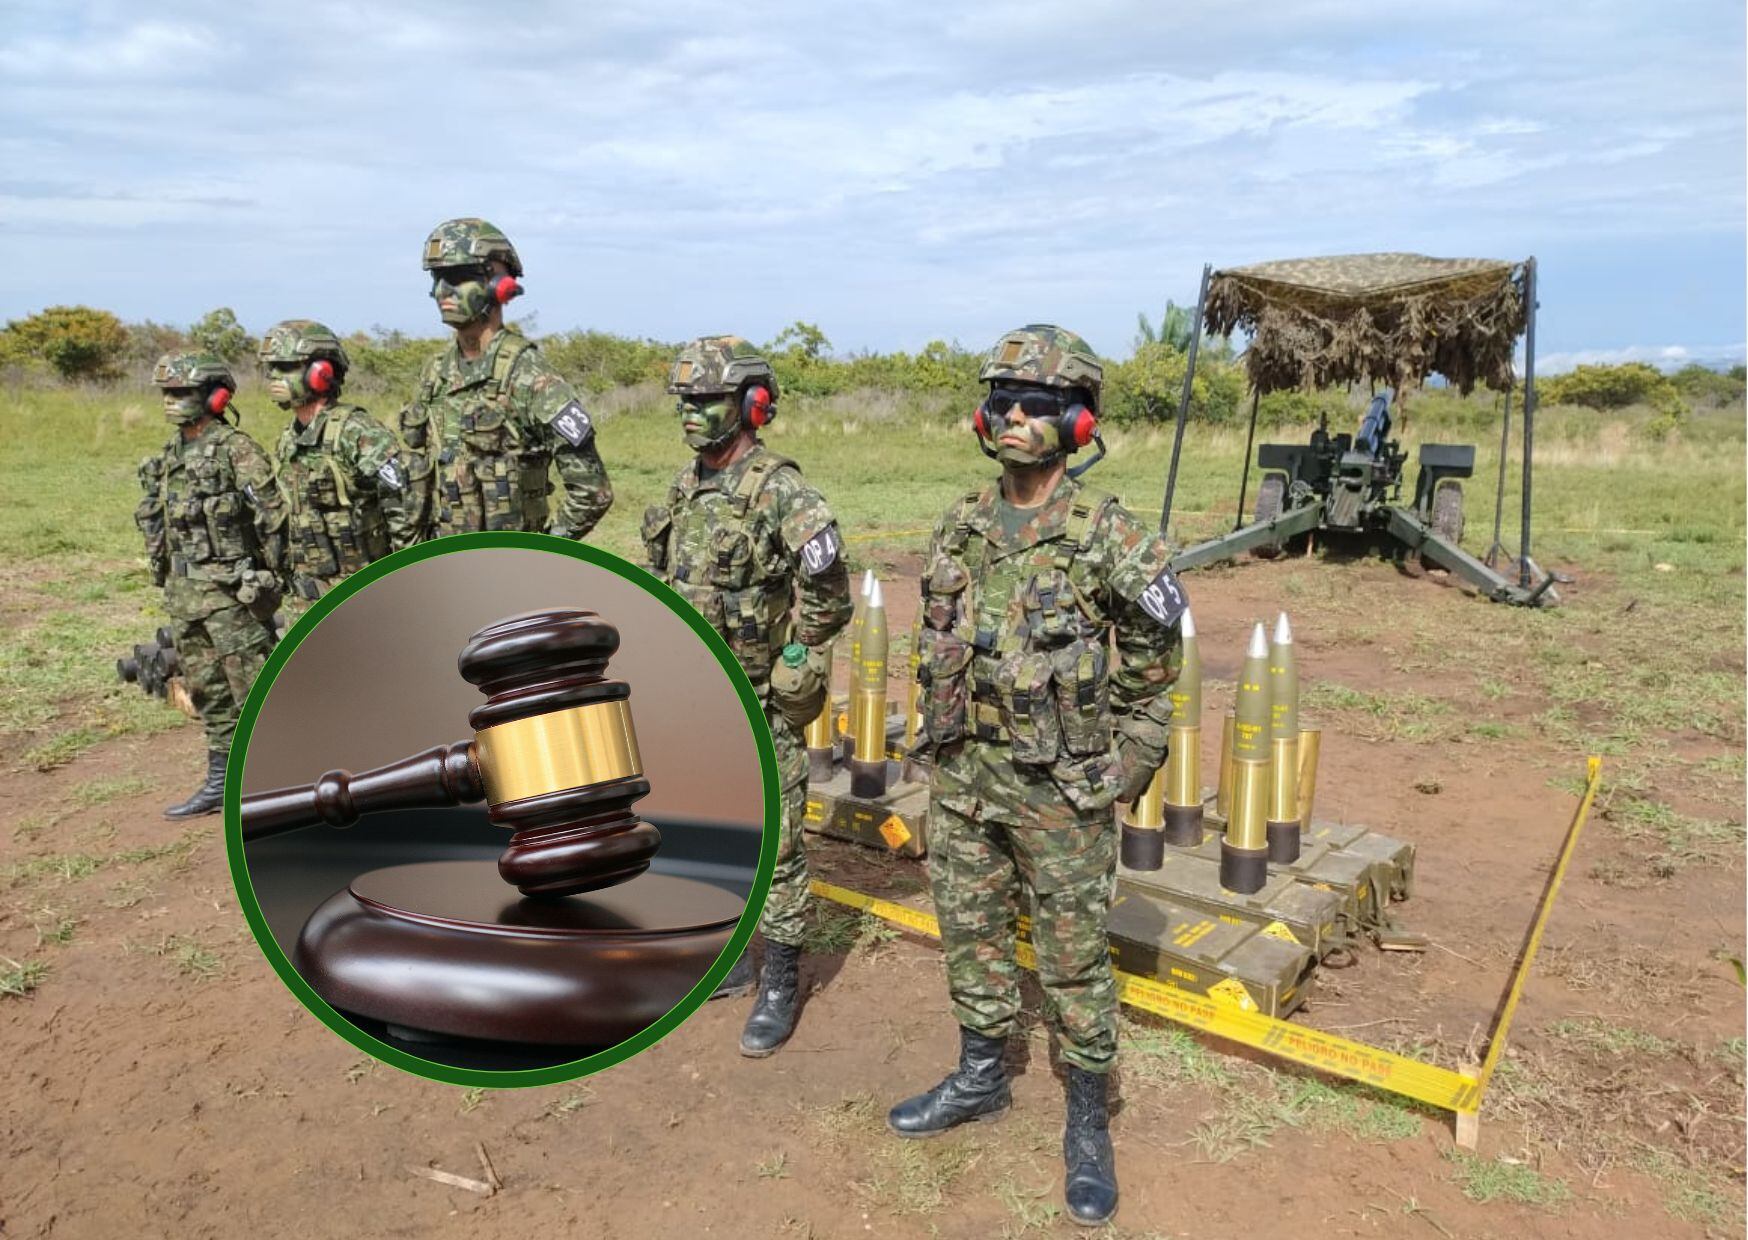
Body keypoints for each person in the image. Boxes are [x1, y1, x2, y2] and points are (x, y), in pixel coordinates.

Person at [890, 325, 1185, 1226]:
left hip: (1058, 793)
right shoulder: (962, 522)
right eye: (1003, 400)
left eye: (1039, 404)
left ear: (1078, 420)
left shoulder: (1112, 538)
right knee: (971, 934)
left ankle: (1088, 1121)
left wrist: (1115, 774)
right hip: (966, 781)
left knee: (1071, 959)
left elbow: (1153, 674)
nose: (1014, 416)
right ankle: (982, 1076)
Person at [641, 335, 852, 1056]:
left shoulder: (781, 491)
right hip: (693, 702)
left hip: (756, 699)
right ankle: (726, 958)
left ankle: (781, 978)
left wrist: (793, 655)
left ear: (752, 405)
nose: (692, 416)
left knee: (780, 839)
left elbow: (828, 596)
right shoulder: (681, 489)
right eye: (685, 403)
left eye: (708, 402)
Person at [134, 351, 286, 819]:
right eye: (167, 393)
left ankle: (282, 786)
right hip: (185, 598)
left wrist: (268, 580)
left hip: (231, 599)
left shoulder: (236, 449)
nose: (171, 402)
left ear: (215, 396)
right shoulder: (168, 457)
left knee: (258, 692)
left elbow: (274, 520)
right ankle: (222, 783)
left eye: (182, 392)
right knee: (209, 693)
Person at [399, 218, 612, 538]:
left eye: (457, 277)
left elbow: (593, 492)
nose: (443, 290)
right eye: (437, 278)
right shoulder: (435, 373)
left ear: (499, 284)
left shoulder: (530, 376)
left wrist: (540, 553)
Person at [259, 319, 418, 602]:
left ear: (321, 372)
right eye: (271, 368)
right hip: (306, 594)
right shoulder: (289, 438)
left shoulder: (357, 430)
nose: (274, 376)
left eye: (285, 366)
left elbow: (405, 507)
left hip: (360, 593)